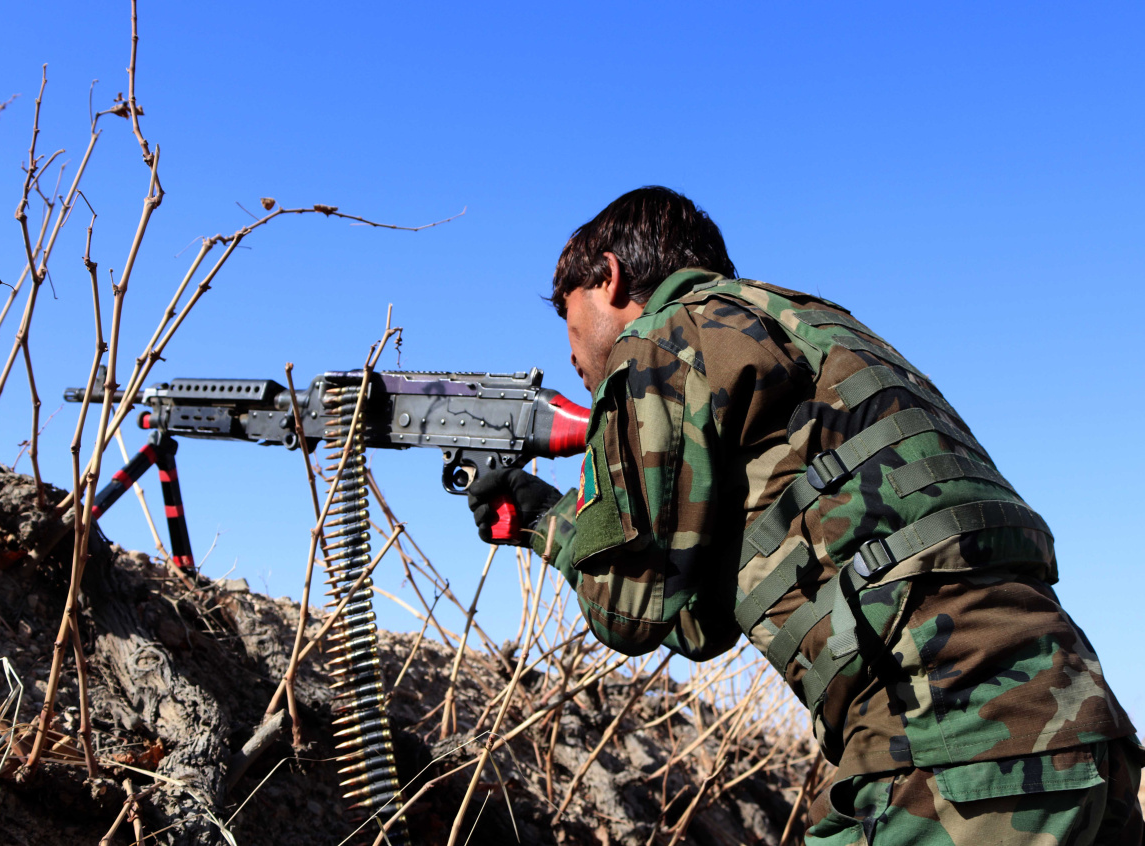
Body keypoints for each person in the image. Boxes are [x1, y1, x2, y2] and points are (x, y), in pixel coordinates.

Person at [467, 186, 1143, 844]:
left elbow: (626, 609)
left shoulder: (660, 340)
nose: (571, 354)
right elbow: (699, 623)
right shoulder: (817, 327)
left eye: (569, 317)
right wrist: (539, 516)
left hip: (953, 739)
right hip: (1081, 726)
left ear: (609, 277)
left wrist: (559, 525)